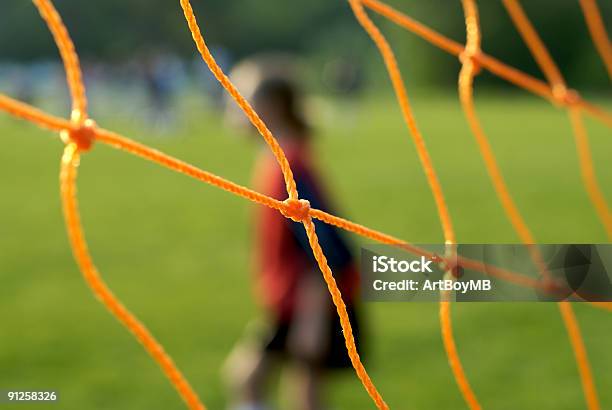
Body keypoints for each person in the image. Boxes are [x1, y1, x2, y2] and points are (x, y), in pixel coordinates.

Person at [222, 59, 363, 410]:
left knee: (254, 379)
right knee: (281, 384)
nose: (230, 109)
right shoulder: (280, 159)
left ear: (267, 108)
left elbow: (326, 245)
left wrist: (312, 314)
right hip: (293, 297)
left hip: (310, 299)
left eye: (239, 99)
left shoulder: (290, 166)